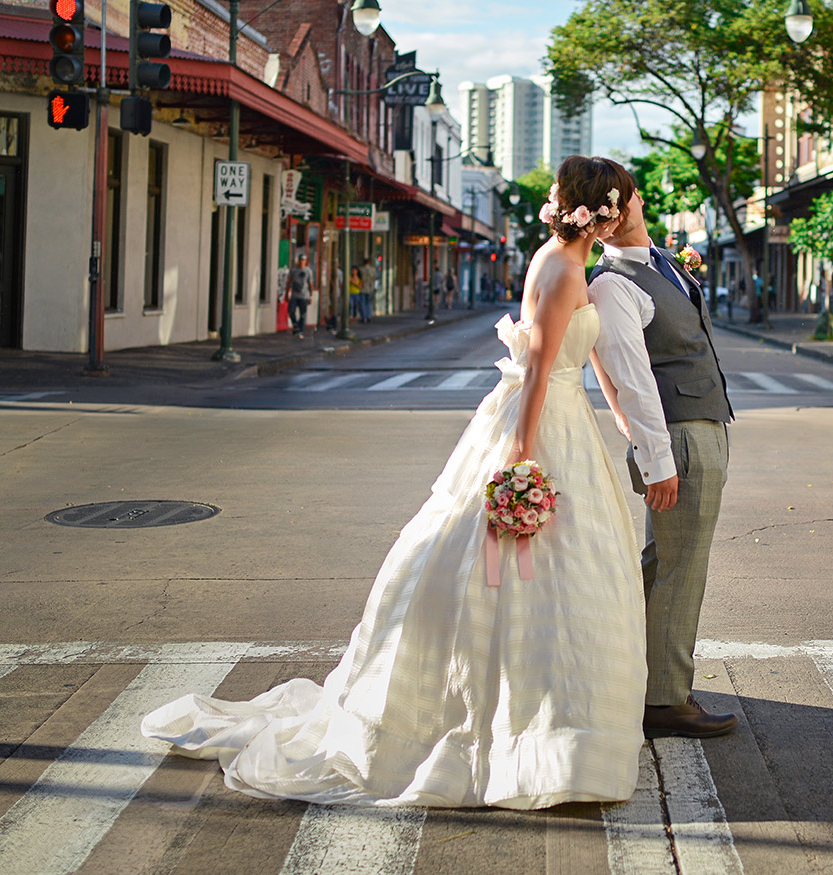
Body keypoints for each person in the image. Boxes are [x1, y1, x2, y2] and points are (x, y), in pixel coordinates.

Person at [142, 156, 648, 808]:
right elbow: (537, 368)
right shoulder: (558, 264)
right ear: (596, 210)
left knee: (566, 577)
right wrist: (520, 465)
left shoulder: (572, 263)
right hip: (542, 421)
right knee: (512, 567)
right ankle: (513, 733)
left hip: (568, 419)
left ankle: (557, 726)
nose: (623, 214)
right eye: (620, 204)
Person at [588, 186, 739, 739]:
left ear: (634, 199)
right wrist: (657, 461)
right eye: (602, 206)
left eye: (619, 198)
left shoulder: (664, 262)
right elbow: (632, 380)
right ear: (594, 220)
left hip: (705, 424)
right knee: (683, 567)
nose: (616, 211)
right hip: (677, 436)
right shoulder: (611, 284)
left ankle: (638, 677)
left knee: (661, 563)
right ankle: (665, 699)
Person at [286, 253, 313, 337]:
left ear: (305, 261)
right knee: (291, 310)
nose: (302, 262)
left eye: (303, 260)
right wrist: (287, 292)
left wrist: (310, 296)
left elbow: (310, 284)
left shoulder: (308, 271)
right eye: (301, 260)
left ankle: (300, 330)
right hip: (295, 294)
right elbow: (289, 281)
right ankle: (295, 325)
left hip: (304, 295)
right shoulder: (294, 270)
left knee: (303, 314)